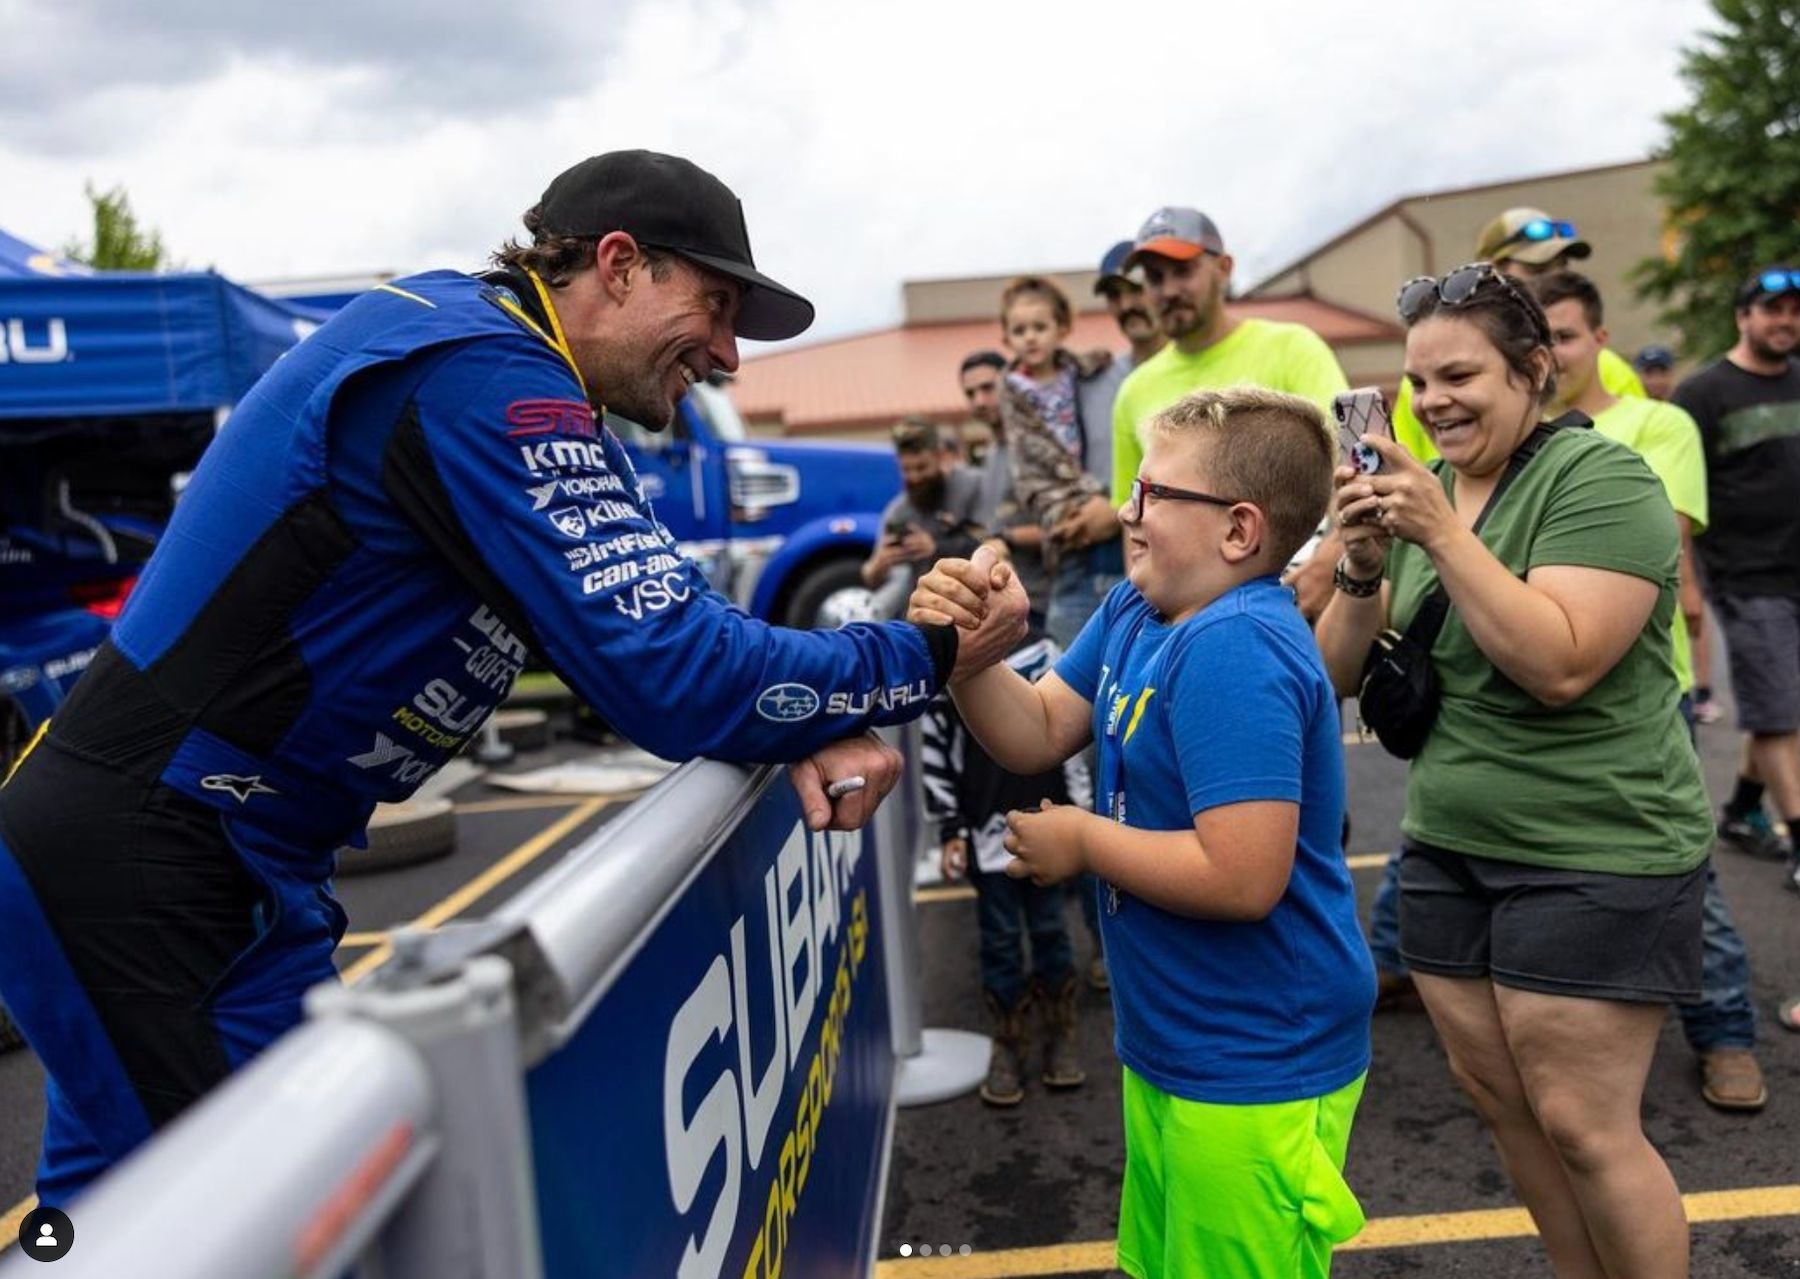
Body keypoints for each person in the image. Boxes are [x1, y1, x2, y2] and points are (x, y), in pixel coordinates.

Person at [0, 149, 1028, 1206]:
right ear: (620, 264)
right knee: (277, 1226)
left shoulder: (516, 373)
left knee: (106, 1222)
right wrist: (929, 655)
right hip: (153, 862)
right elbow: (672, 677)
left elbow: (663, 630)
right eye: (715, 306)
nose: (725, 355)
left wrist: (798, 716)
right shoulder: (484, 373)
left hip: (221, 857)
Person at [914, 388, 1375, 1278]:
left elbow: (1243, 876)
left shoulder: (1235, 644)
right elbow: (1038, 728)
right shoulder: (1139, 608)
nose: (1125, 512)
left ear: (1239, 531)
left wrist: (1085, 842)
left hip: (1257, 1057)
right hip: (1180, 1041)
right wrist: (973, 649)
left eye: (1153, 495)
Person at [1315, 263, 1711, 1279]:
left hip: (1597, 849)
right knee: (1506, 1107)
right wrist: (1362, 562)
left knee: (1585, 1122)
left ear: (1534, 370)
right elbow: (1334, 672)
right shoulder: (1427, 492)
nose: (1434, 401)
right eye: (1419, 382)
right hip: (1449, 845)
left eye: (1460, 375)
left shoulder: (1604, 481)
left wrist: (1441, 533)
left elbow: (1562, 661)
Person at [1534, 269, 1766, 1111]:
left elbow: (1650, 543)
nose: (1549, 351)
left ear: (1600, 340)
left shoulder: (1656, 424)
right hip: (1529, 688)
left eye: (1564, 334)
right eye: (1536, 337)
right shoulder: (1512, 435)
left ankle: (1727, 1031)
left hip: (1641, 691)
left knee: (1678, 873)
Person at [1109, 207, 1350, 621]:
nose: (1167, 290)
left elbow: (1355, 461)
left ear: (1224, 268)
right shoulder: (1134, 390)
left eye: (1182, 271)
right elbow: (1133, 522)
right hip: (1186, 624)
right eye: (1154, 277)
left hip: (1293, 602)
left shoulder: (1292, 348)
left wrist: (1334, 561)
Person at [922, 632, 1091, 1106]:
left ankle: (1061, 1033)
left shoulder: (1047, 651)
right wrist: (950, 827)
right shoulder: (949, 658)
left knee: (1052, 929)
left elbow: (1073, 736)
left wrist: (1082, 810)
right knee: (998, 939)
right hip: (987, 831)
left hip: (1048, 824)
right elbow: (935, 748)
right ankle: (1009, 1040)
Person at [1673, 266, 1800, 887]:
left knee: (1784, 701)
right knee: (1778, 713)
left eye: (1794, 312)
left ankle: (1746, 809)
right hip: (1746, 575)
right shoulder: (1703, 394)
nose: (1785, 322)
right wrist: (1687, 580)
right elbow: (1677, 493)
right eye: (1772, 310)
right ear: (1742, 317)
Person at [1390, 209, 1646, 464]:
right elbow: (1407, 464)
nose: (1553, 282)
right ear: (1491, 271)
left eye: (1563, 269)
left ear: (1538, 367)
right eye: (1538, 269)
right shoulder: (1421, 378)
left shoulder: (1607, 366)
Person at [960, 350, 1052, 631]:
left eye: (988, 388)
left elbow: (1065, 527)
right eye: (970, 393)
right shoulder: (989, 456)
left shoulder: (1039, 444)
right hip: (1004, 607)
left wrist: (1007, 539)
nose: (979, 401)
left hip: (1046, 605)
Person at [861, 416, 987, 619]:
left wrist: (937, 548)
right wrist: (879, 564)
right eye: (906, 470)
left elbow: (993, 542)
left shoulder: (972, 486)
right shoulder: (898, 511)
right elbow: (871, 577)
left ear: (940, 457)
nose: (915, 477)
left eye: (921, 467)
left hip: (973, 605)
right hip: (924, 614)